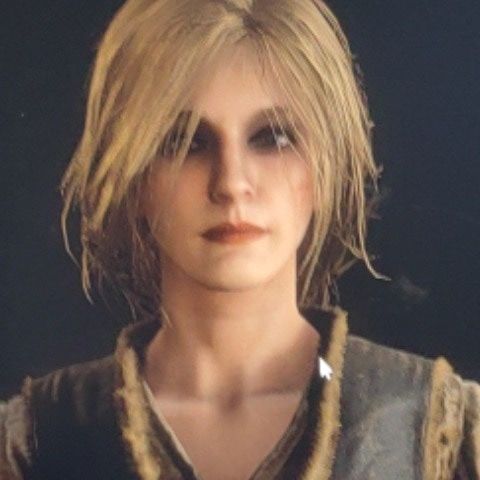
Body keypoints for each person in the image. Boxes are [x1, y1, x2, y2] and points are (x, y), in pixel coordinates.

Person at [1, 0, 479, 479]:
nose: (231, 183)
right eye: (185, 142)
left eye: (273, 137)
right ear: (135, 176)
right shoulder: (37, 441)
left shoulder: (438, 432)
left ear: (323, 168)